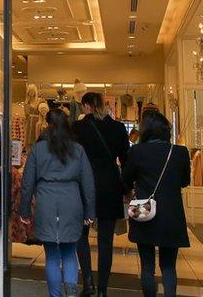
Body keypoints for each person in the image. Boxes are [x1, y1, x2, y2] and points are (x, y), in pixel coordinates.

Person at [19, 107, 96, 297]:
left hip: (46, 202)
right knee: (70, 253)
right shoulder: (78, 149)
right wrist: (90, 212)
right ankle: (71, 292)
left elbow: (27, 183)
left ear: (47, 125)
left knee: (52, 256)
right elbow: (88, 183)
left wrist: (24, 210)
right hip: (72, 202)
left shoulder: (38, 149)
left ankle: (55, 295)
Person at [123, 110, 191, 297]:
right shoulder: (179, 152)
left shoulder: (137, 152)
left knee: (147, 267)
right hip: (172, 214)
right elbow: (185, 181)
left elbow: (125, 178)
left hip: (145, 212)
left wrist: (133, 188)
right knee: (169, 267)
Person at [73, 91, 129, 296]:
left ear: (87, 106)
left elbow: (71, 157)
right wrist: (127, 188)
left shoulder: (78, 128)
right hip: (109, 185)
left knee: (81, 235)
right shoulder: (118, 128)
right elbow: (126, 160)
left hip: (83, 184)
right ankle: (103, 289)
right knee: (106, 240)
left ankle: (88, 282)